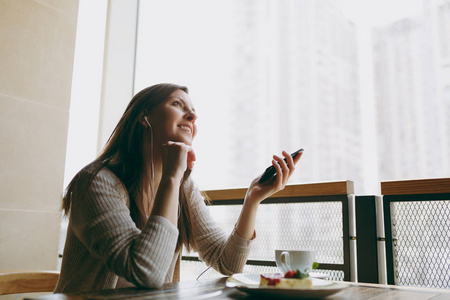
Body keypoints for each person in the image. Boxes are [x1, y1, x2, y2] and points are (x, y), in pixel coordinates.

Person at [54, 83, 302, 293]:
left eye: (193, 112)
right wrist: (173, 175)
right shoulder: (96, 182)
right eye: (177, 105)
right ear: (144, 117)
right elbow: (145, 272)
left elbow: (228, 264)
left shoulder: (184, 188)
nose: (192, 117)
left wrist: (252, 200)